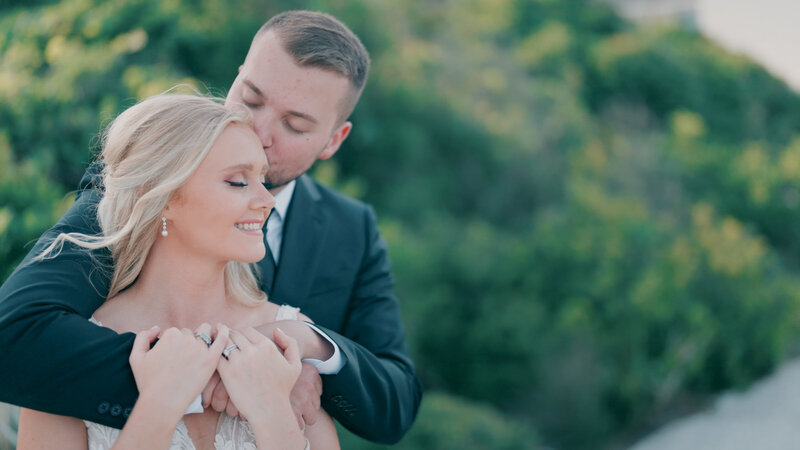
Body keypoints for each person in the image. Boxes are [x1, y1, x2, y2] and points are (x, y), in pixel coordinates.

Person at [0, 10, 421, 445]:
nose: (258, 130)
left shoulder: (352, 229)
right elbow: (12, 337)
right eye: (251, 99)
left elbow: (396, 403)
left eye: (294, 124)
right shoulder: (133, 188)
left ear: (333, 140)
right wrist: (205, 374)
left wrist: (304, 346)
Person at [16, 93, 339, 449]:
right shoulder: (63, 352)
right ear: (164, 195)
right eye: (237, 181)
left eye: (262, 178)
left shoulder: (289, 345)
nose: (267, 200)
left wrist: (272, 414)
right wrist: (159, 406)